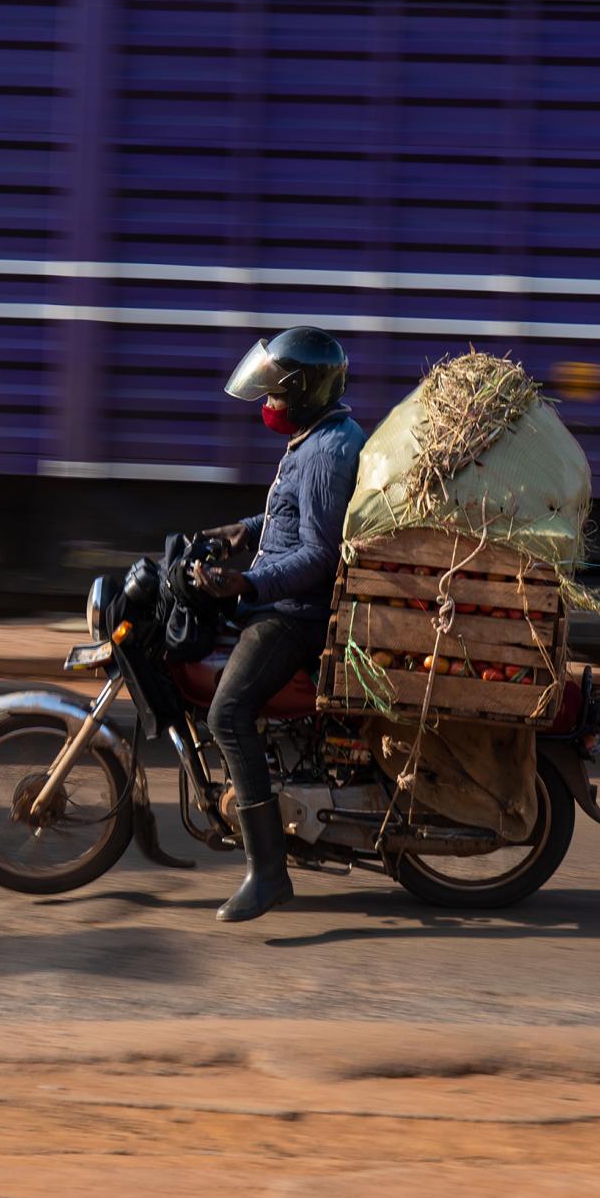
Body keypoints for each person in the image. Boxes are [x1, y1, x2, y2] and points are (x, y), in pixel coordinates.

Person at [194, 326, 366, 923]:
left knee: (226, 713)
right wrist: (241, 531)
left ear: (304, 391)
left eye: (274, 392)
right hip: (279, 602)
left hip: (294, 615)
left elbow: (319, 554)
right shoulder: (315, 438)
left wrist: (248, 583)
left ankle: (268, 873)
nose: (266, 403)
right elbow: (288, 517)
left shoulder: (325, 450)